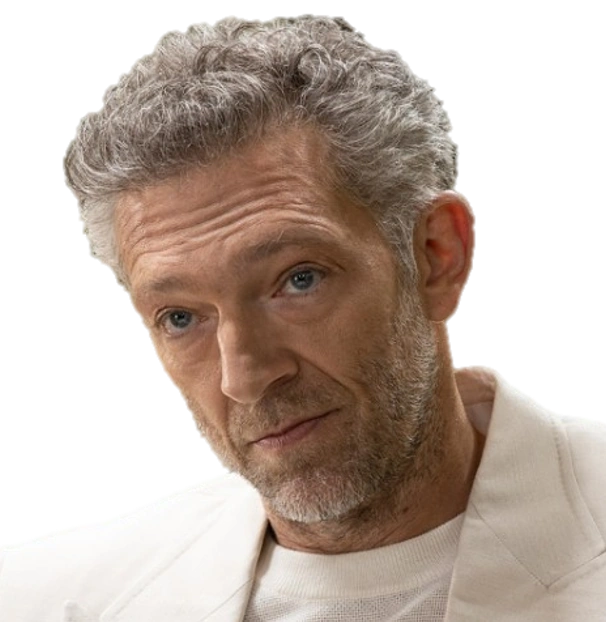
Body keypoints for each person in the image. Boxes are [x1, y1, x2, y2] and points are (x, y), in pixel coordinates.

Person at [2, 14, 604, 622]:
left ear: (435, 256)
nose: (245, 378)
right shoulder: (53, 601)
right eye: (181, 317)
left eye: (298, 280)